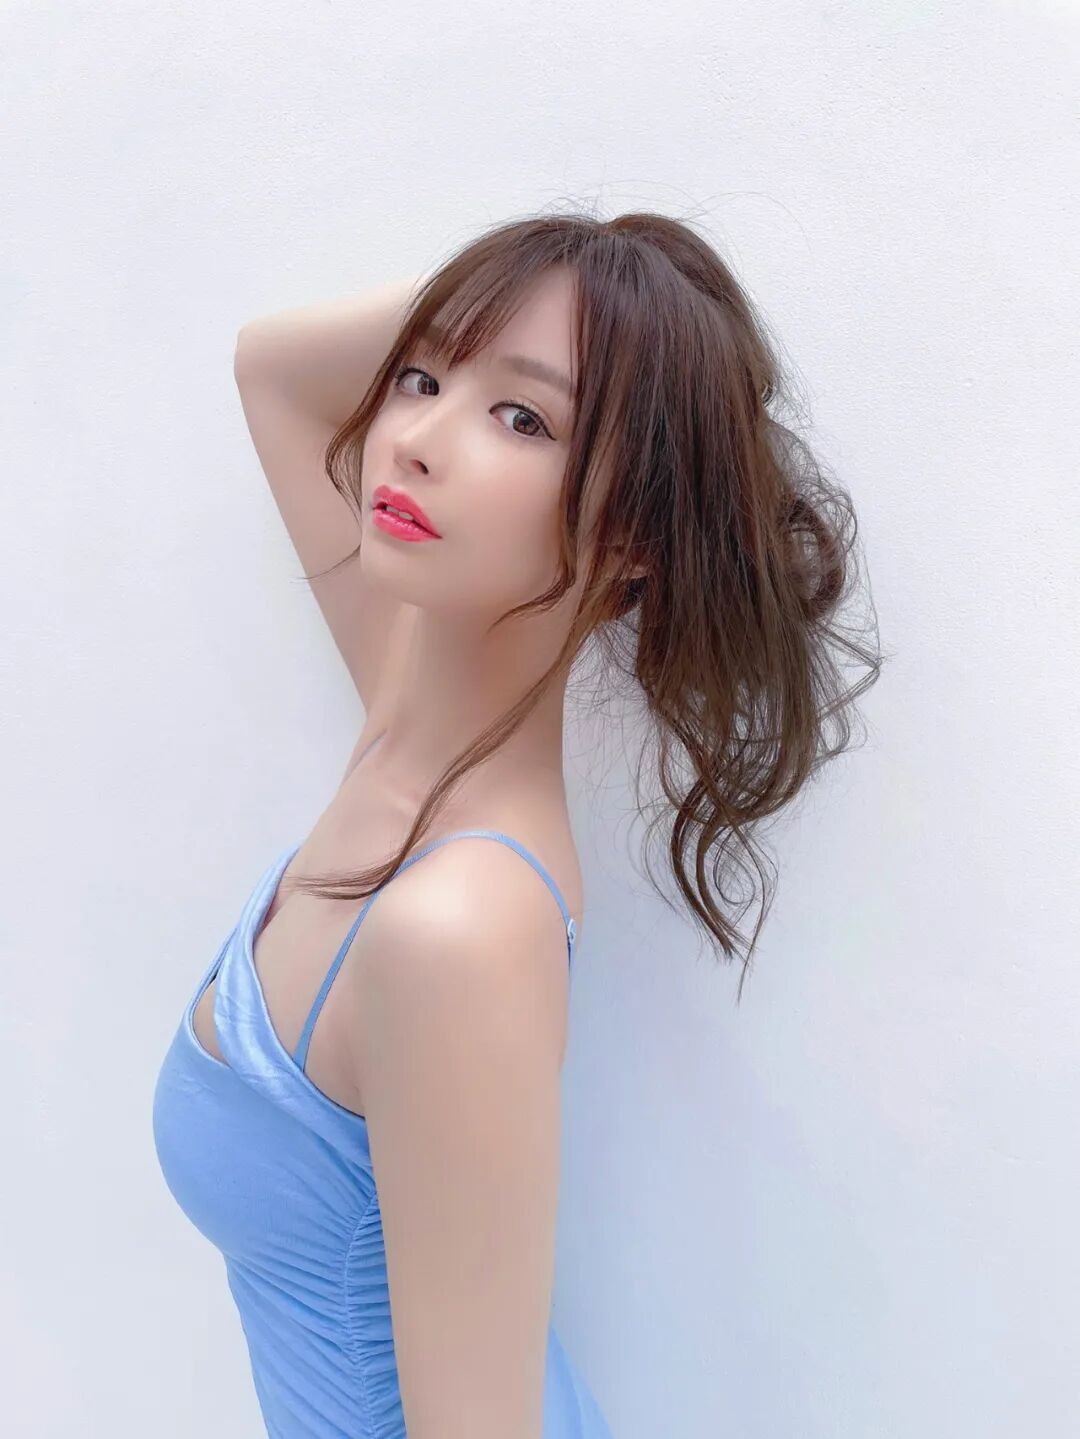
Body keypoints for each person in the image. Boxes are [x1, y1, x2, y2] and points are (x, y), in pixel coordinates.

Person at [152, 207, 882, 1437]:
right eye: (422, 378)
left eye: (523, 419)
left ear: (634, 533)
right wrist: (557, 280)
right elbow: (272, 366)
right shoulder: (408, 706)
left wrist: (639, 349)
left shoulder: (456, 927)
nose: (416, 439)